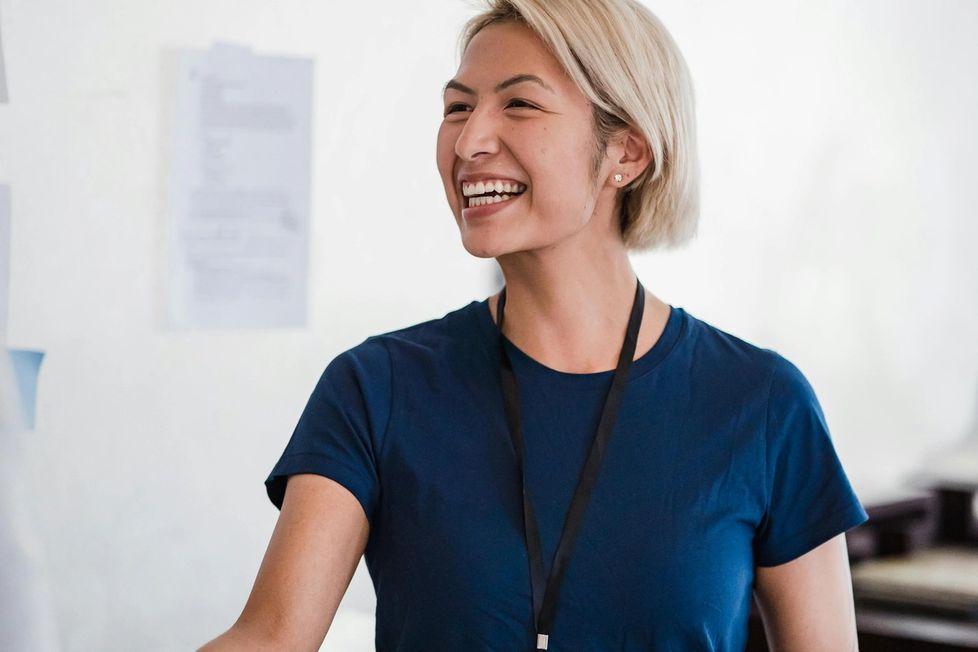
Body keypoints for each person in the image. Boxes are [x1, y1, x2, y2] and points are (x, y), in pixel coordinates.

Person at [201, 0, 868, 649]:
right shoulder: (377, 389)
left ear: (626, 153)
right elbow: (268, 638)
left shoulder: (763, 405)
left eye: (518, 104)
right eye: (457, 107)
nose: (469, 141)